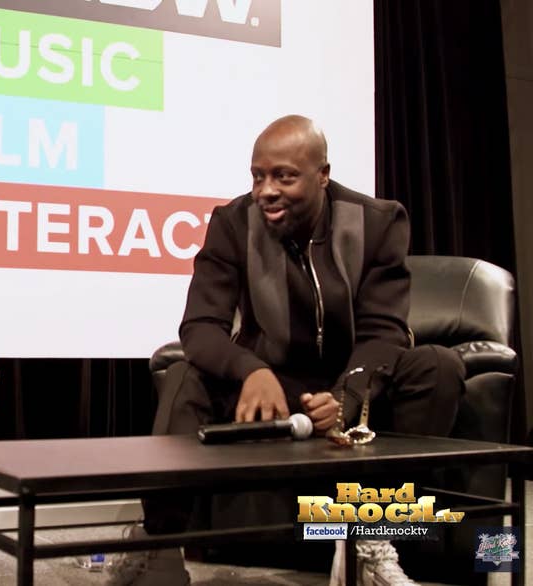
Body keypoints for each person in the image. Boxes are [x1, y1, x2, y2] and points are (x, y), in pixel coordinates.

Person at [108, 115, 464, 586]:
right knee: (184, 377)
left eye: (284, 176)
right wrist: (250, 369)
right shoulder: (233, 223)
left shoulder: (376, 222)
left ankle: (368, 538)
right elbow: (200, 326)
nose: (266, 190)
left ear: (323, 175)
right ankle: (160, 544)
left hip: (350, 380)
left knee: (438, 366)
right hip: (271, 385)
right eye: (258, 176)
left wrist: (348, 397)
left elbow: (384, 329)